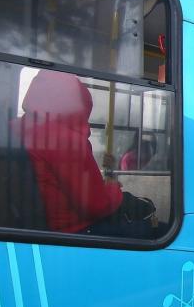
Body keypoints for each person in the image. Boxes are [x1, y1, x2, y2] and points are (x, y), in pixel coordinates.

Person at [16, 70, 154, 239]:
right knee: (153, 228)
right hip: (74, 229)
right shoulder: (64, 141)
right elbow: (96, 205)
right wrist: (113, 188)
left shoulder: (21, 127)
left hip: (41, 223)